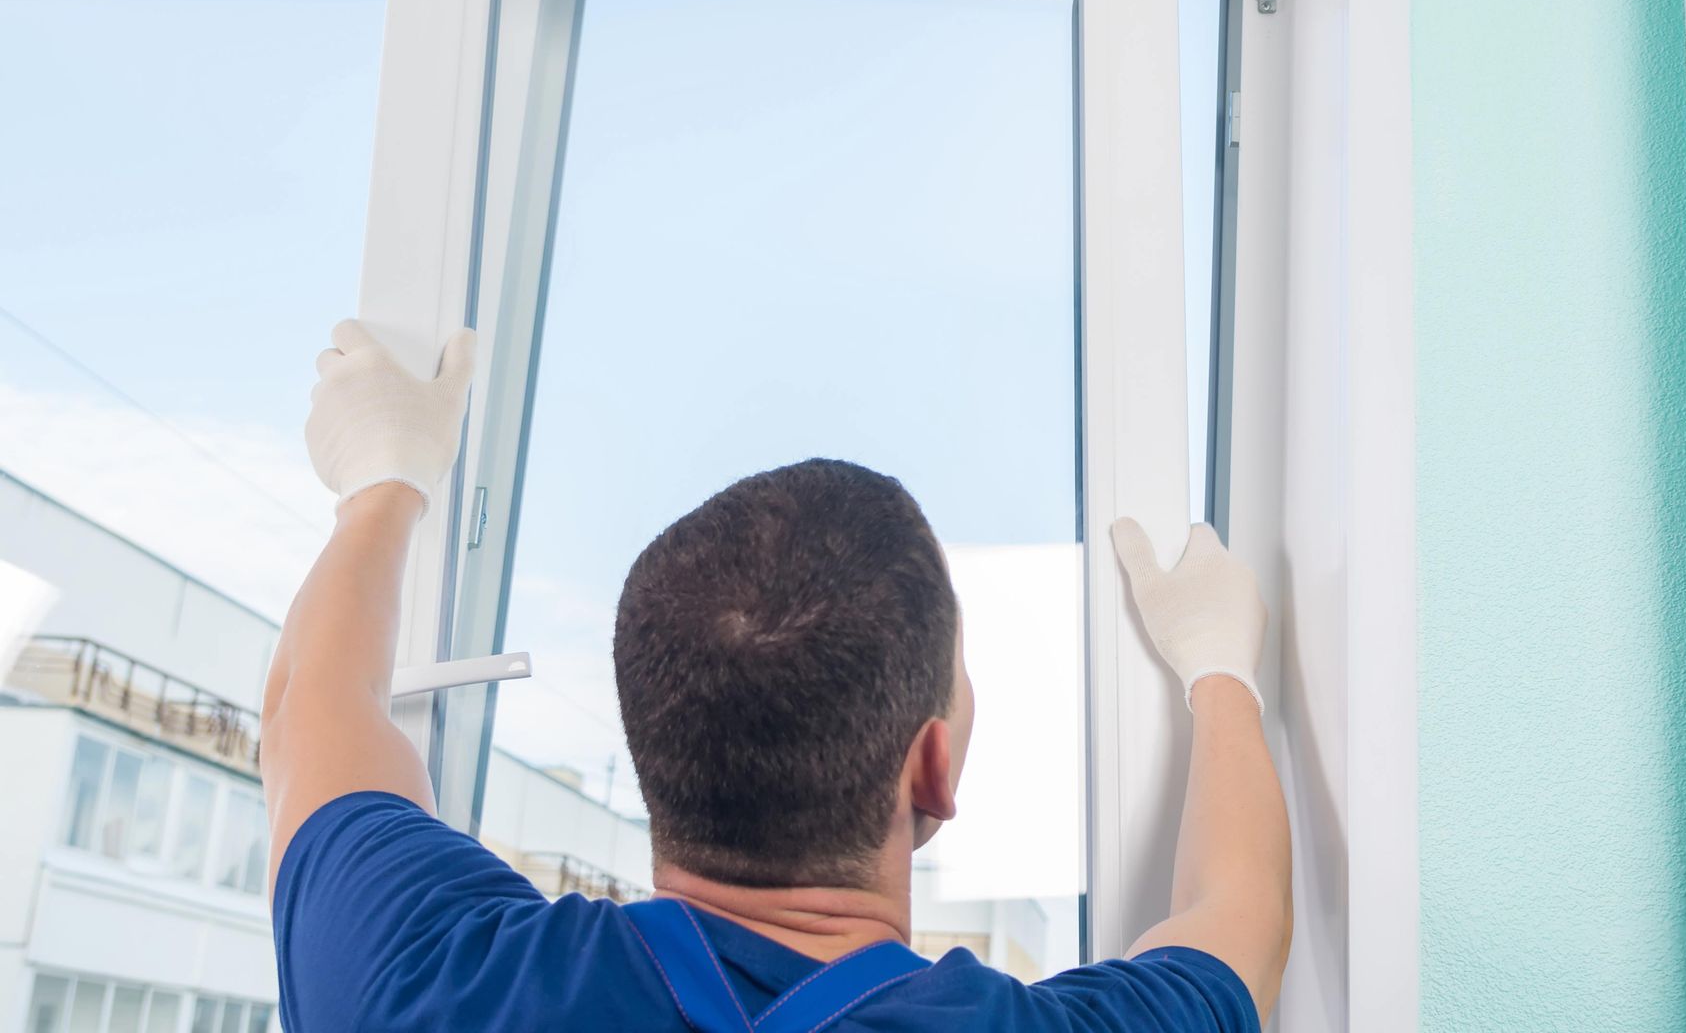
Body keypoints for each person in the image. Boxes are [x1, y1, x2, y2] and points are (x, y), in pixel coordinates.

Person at [264, 321, 1292, 1031]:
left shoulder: (428, 983)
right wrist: (1215, 669)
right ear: (930, 765)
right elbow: (1240, 911)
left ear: (657, 740)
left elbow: (313, 705)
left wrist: (384, 481)